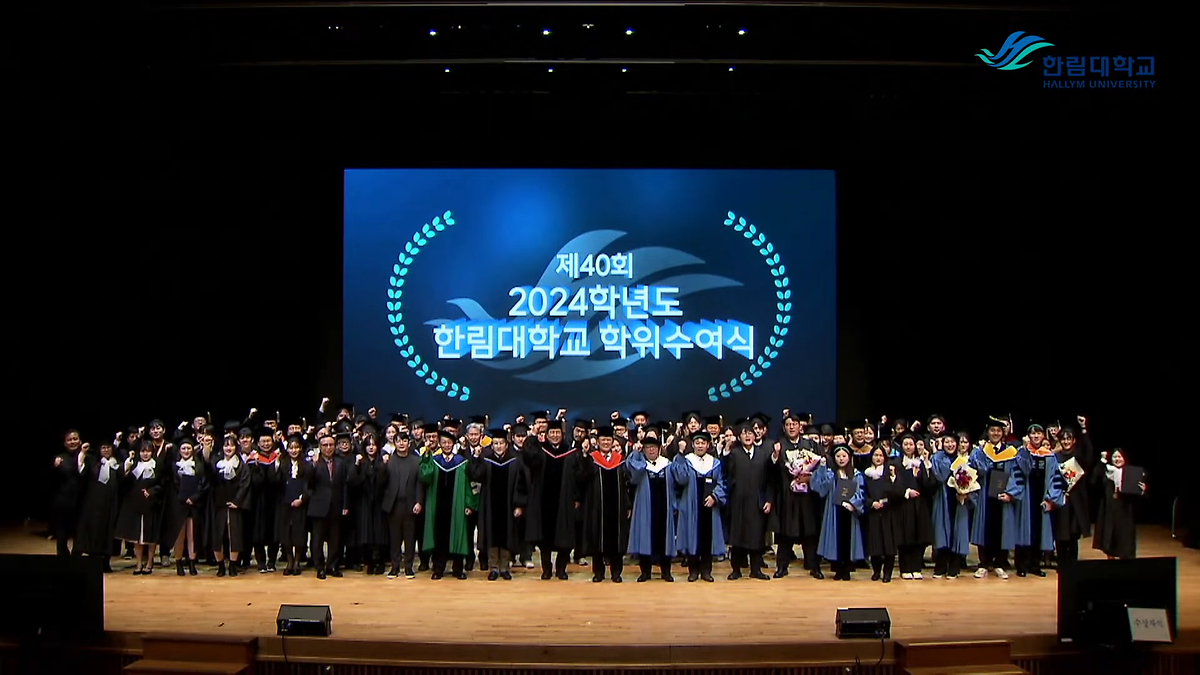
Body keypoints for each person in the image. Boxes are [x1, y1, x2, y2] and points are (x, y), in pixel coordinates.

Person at [468, 429, 528, 581]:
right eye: (495, 443)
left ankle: (504, 567)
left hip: (508, 506)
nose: (499, 446)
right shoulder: (486, 461)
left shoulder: (515, 462)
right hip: (490, 506)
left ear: (507, 445)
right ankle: (494, 568)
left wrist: (519, 505)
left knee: (507, 535)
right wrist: (476, 457)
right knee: (492, 535)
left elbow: (521, 484)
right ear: (491, 446)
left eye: (501, 443)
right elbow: (475, 475)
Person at [418, 429, 479, 579]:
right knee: (439, 537)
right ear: (440, 444)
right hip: (438, 506)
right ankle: (438, 568)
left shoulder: (462, 462)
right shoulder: (434, 460)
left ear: (453, 444)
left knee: (458, 535)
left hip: (456, 506)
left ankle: (458, 569)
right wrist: (426, 456)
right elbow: (425, 477)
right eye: (444, 442)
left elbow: (469, 486)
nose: (446, 445)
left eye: (449, 442)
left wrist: (469, 505)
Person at [969, 416, 1025, 579]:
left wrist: (1010, 494)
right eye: (992, 430)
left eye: (998, 431)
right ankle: (983, 564)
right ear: (987, 432)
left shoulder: (1011, 452)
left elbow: (1016, 474)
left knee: (1003, 529)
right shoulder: (979, 451)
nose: (995, 433)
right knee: (983, 529)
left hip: (1003, 497)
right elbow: (972, 471)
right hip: (984, 496)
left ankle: (1000, 564)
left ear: (1003, 433)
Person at [577, 426, 632, 583]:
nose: (606, 443)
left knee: (617, 539)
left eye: (608, 440)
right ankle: (598, 572)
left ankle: (616, 572)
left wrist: (627, 505)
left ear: (612, 441)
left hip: (617, 507)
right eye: (603, 440)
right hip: (597, 507)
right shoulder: (592, 459)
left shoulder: (619, 460)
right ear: (598, 442)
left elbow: (626, 485)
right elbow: (581, 478)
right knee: (597, 539)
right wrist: (585, 456)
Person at [628, 435, 685, 582]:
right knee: (645, 538)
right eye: (647, 447)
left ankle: (666, 571)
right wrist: (635, 453)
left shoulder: (667, 464)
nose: (651, 450)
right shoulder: (641, 466)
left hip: (665, 509)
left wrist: (680, 455)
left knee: (665, 539)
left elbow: (681, 478)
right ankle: (645, 572)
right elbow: (632, 471)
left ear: (659, 449)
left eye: (653, 447)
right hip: (646, 509)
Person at [724, 421, 777, 580]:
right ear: (739, 437)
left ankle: (756, 569)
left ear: (755, 436)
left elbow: (770, 480)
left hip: (757, 502)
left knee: (757, 537)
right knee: (737, 537)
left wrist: (768, 500)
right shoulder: (734, 454)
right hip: (738, 502)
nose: (747, 436)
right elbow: (726, 475)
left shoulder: (763, 455)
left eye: (750, 433)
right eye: (744, 433)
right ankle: (736, 570)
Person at [1014, 423, 1063, 577]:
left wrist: (1050, 499)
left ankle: (1035, 565)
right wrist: (1026, 451)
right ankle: (1021, 565)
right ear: (1028, 436)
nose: (1035, 436)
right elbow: (1019, 473)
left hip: (1042, 499)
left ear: (1043, 436)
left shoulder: (1049, 456)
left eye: (1038, 433)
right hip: (1025, 499)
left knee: (1038, 532)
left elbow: (1056, 479)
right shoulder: (1022, 453)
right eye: (1033, 433)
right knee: (1023, 531)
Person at [812, 445, 865, 580]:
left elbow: (861, 492)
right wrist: (822, 468)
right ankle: (838, 569)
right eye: (838, 456)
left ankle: (847, 568)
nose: (841, 459)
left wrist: (853, 503)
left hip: (850, 511)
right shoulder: (831, 474)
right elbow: (819, 488)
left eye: (844, 456)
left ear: (849, 458)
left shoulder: (856, 475)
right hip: (834, 510)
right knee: (836, 539)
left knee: (848, 540)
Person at [380, 430, 424, 579]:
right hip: (393, 505)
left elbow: (419, 484)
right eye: (398, 441)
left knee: (410, 538)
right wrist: (383, 466)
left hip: (410, 504)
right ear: (395, 443)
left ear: (409, 443)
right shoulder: (389, 460)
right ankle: (395, 567)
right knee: (394, 538)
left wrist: (419, 501)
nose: (401, 444)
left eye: (404, 441)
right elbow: (381, 481)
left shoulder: (416, 461)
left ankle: (408, 567)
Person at [74, 440, 122, 572]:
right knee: (94, 532)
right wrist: (82, 453)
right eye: (103, 447)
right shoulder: (93, 464)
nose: (106, 450)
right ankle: (94, 561)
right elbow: (81, 470)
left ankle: (106, 562)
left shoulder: (117, 465)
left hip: (111, 504)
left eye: (108, 447)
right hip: (94, 504)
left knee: (109, 533)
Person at [1092, 448, 1144, 559]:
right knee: (1109, 541)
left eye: (1120, 456)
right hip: (1109, 511)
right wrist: (1102, 461)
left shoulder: (1130, 474)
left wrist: (1143, 490)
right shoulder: (1106, 471)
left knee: (1124, 543)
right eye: (1115, 457)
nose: (1117, 459)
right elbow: (1093, 481)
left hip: (1124, 512)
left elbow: (1137, 497)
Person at [861, 446, 899, 582]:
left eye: (881, 455)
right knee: (875, 545)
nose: (878, 458)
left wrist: (885, 501)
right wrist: (872, 503)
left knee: (889, 545)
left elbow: (897, 492)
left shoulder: (890, 473)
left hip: (889, 513)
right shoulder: (866, 475)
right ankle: (876, 571)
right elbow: (862, 494)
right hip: (873, 513)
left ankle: (887, 573)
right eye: (875, 455)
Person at [51, 430, 89, 558]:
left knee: (80, 534)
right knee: (62, 534)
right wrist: (55, 467)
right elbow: (52, 480)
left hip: (82, 502)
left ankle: (76, 559)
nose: (72, 442)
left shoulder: (88, 457)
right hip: (64, 502)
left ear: (80, 441)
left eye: (75, 439)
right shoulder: (59, 458)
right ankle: (63, 560)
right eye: (69, 439)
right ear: (65, 443)